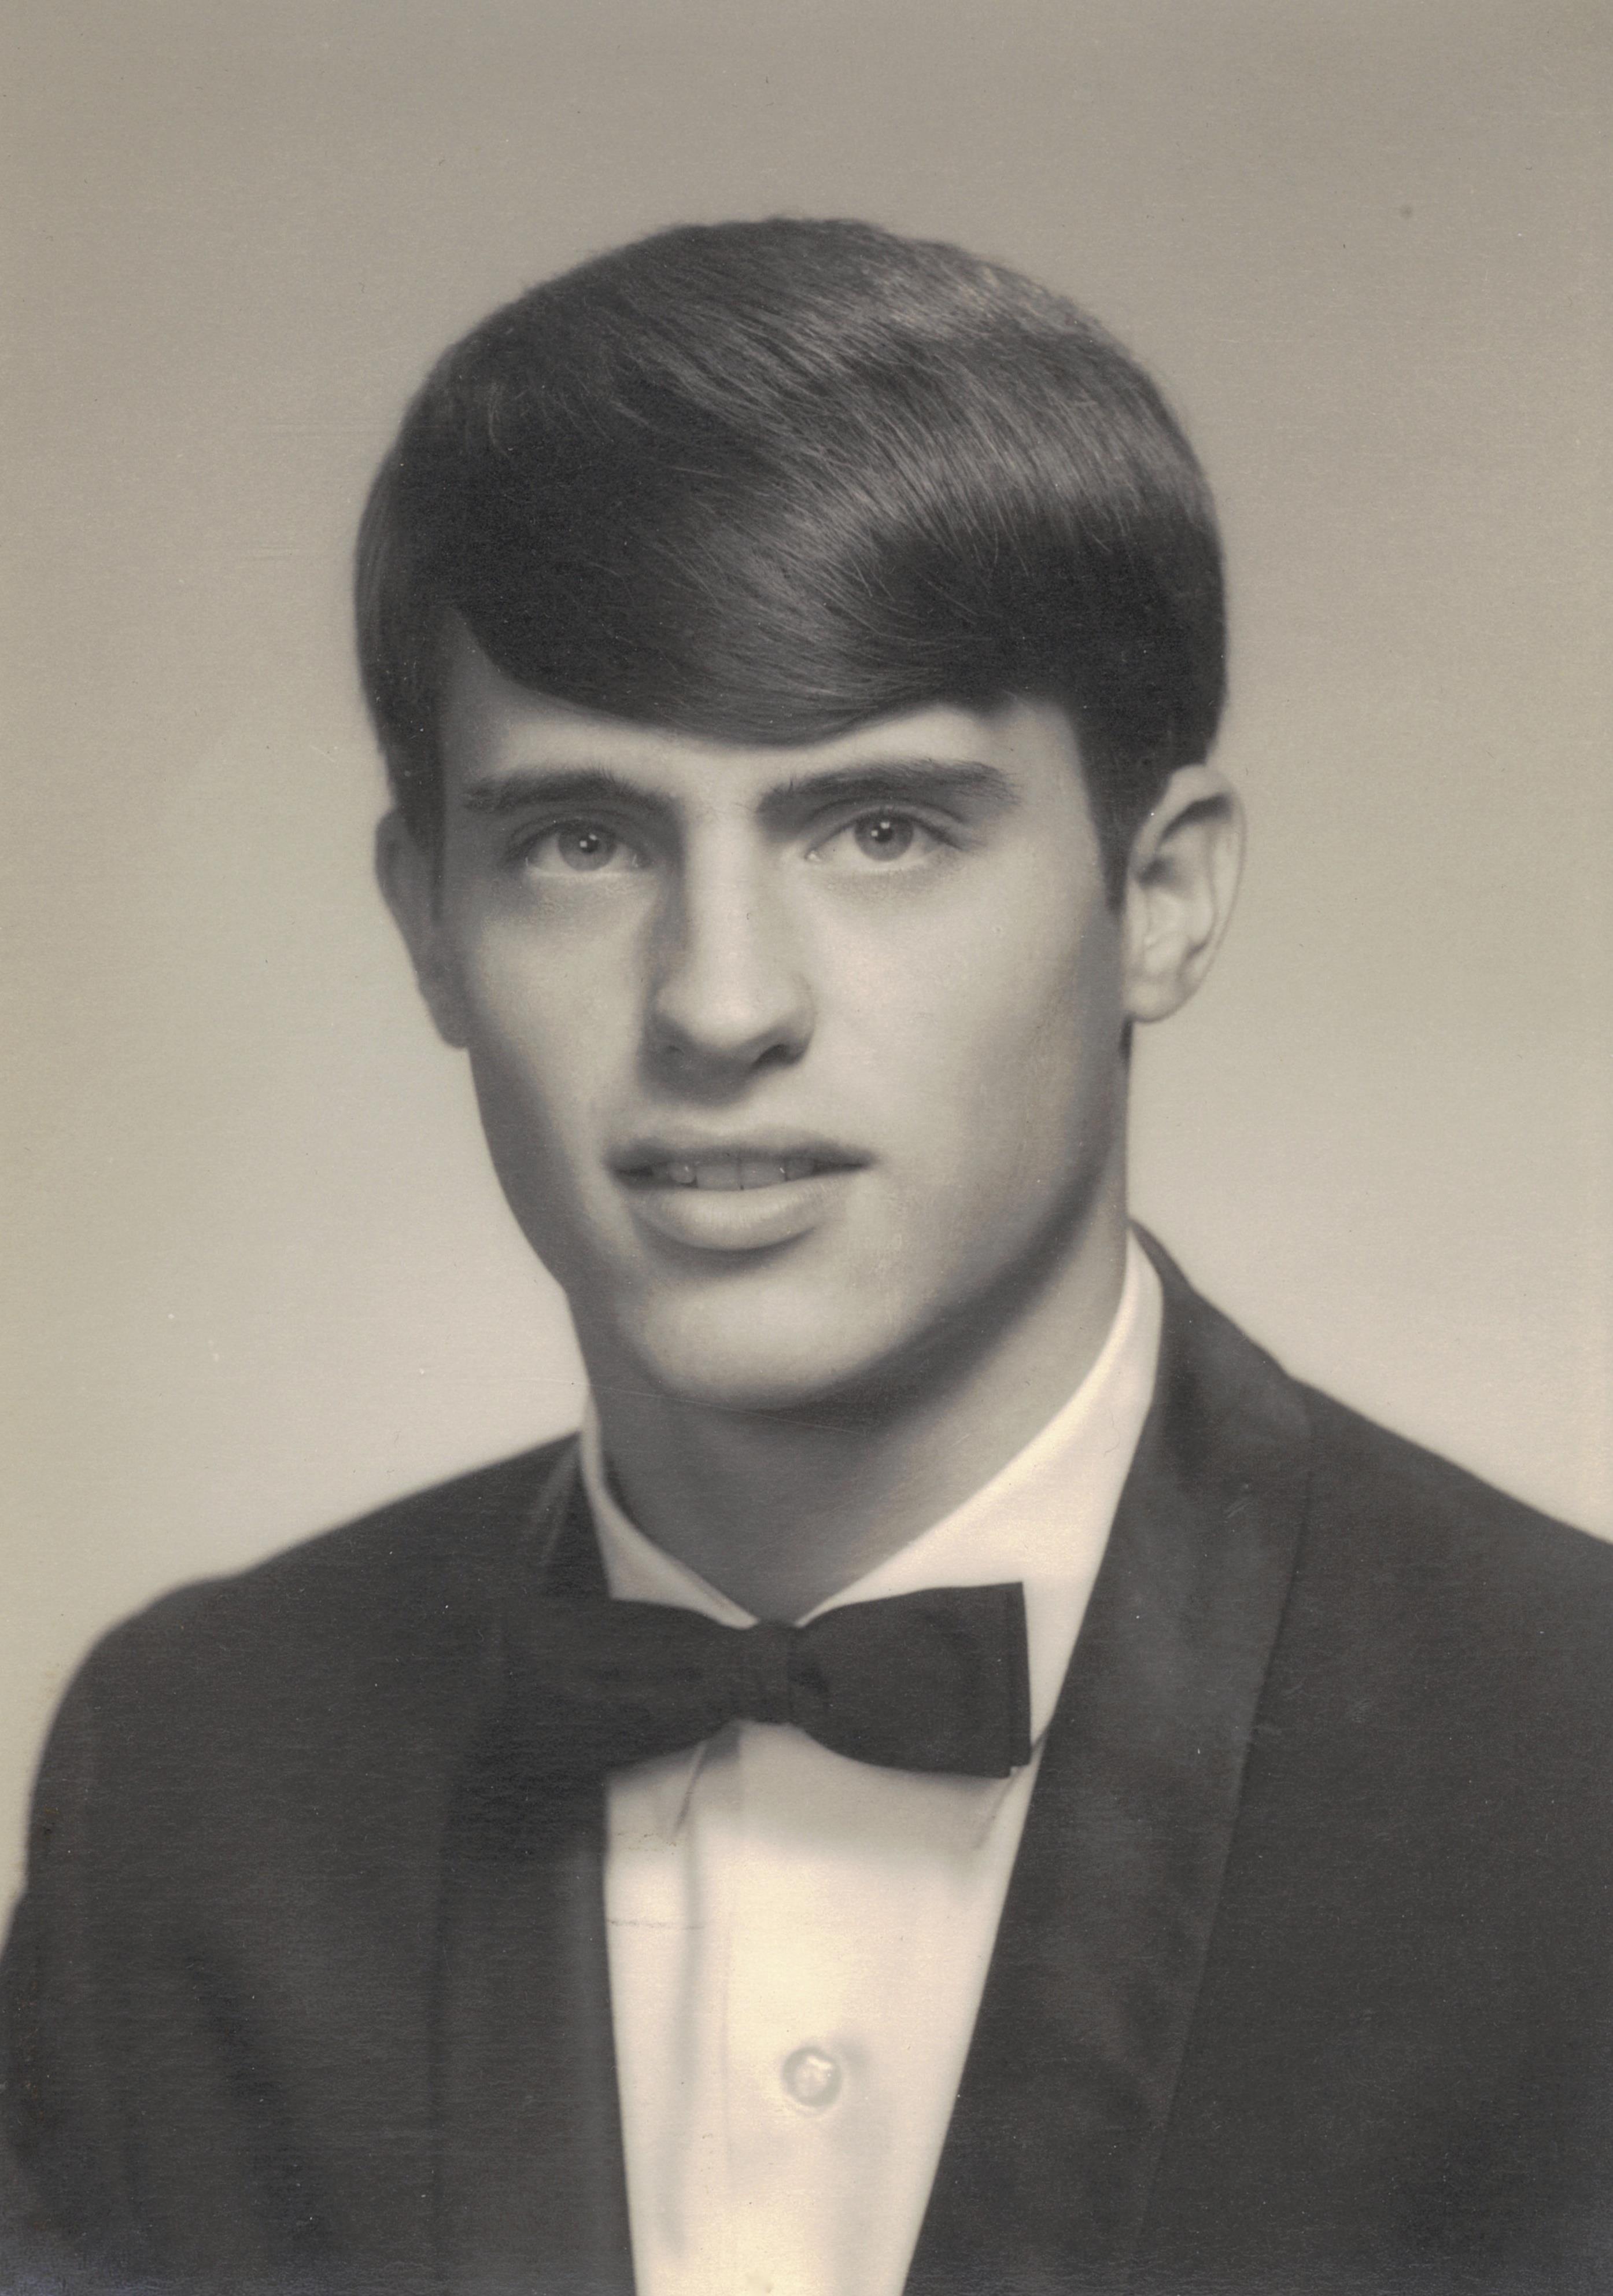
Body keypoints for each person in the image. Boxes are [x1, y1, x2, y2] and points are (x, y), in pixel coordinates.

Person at [2, 217, 1608, 2296]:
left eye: (883, 828)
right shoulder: (193, 1775)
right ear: (427, 923)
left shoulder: (1575, 1766)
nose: (721, 1000)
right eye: (583, 839)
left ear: (1165, 901)